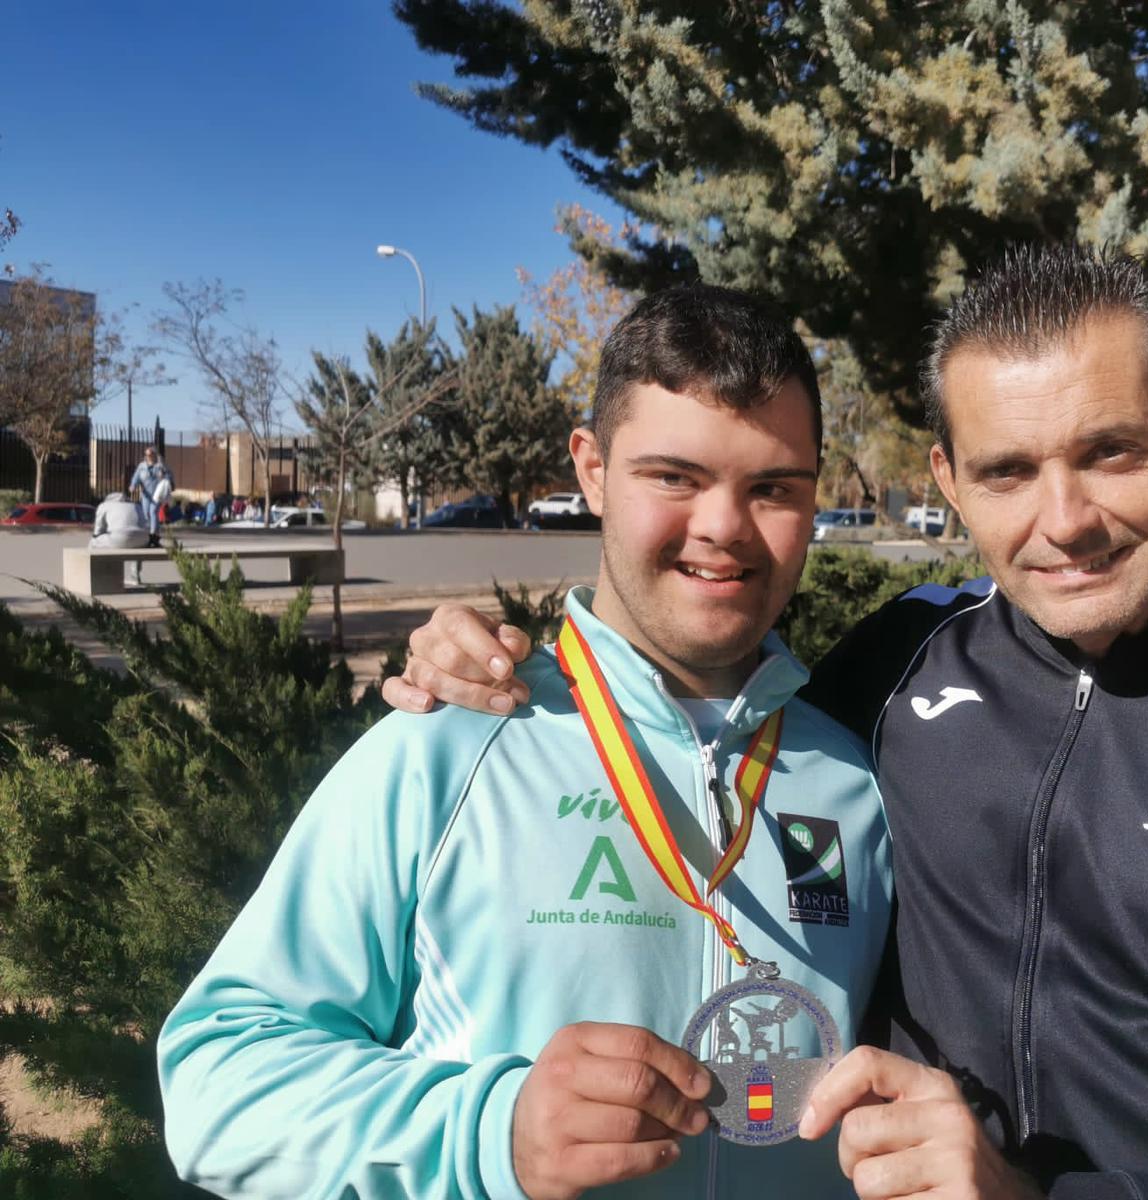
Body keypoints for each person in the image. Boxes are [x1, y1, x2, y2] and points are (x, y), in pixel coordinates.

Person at [392, 245, 1148, 1198]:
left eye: (1110, 453)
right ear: (948, 480)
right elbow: (699, 721)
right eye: (1007, 471)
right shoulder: (902, 656)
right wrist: (505, 664)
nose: (1064, 521)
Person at [157, 285, 893, 1199]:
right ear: (592, 470)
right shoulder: (449, 746)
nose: (723, 528)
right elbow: (215, 1080)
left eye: (773, 488)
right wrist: (488, 1132)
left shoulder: (855, 776)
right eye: (674, 477)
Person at [91, 487, 151, 585]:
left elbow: (97, 531)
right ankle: (135, 576)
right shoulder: (136, 505)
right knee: (137, 546)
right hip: (142, 539)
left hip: (119, 539)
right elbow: (146, 525)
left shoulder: (104, 506)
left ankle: (97, 576)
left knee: (93, 542)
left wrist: (99, 536)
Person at [129, 445, 173, 547]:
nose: (148, 456)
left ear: (154, 455)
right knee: (146, 514)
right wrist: (133, 485)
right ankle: (148, 535)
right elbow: (136, 477)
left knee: (153, 512)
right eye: (146, 455)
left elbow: (169, 476)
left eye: (150, 454)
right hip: (146, 495)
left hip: (157, 495)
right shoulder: (142, 466)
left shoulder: (160, 466)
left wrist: (165, 477)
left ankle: (154, 535)